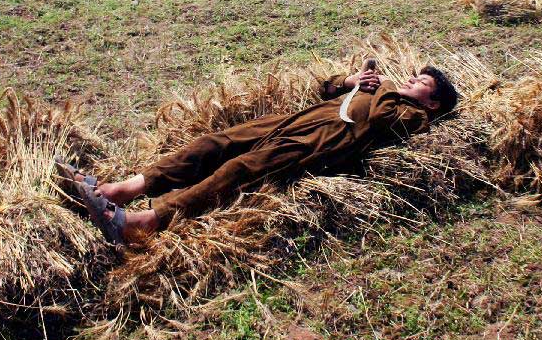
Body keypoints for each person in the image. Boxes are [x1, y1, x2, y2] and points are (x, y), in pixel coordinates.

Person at [56, 62, 458, 245]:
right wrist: (349, 80)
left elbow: (384, 118)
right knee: (214, 144)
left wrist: (382, 87)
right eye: (414, 75)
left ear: (434, 103)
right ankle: (120, 191)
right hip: (297, 119)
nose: (411, 78)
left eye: (421, 81)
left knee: (240, 170)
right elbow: (328, 90)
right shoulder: (386, 93)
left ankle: (143, 222)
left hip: (322, 142)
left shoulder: (413, 116)